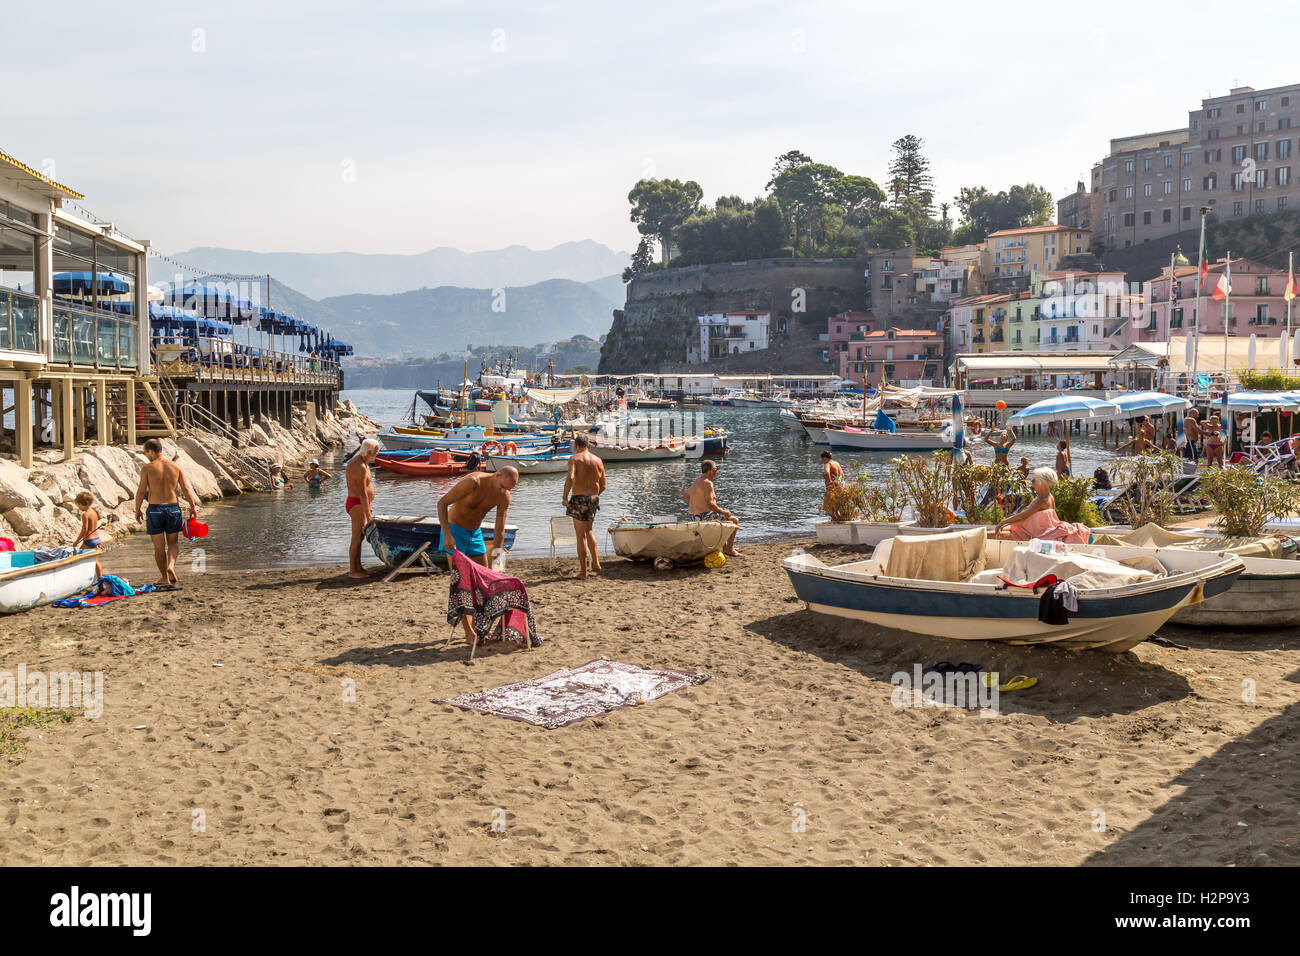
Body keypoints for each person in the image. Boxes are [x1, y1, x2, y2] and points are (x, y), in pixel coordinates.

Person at [133, 438, 201, 588]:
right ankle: (171, 565)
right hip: (173, 508)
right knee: (173, 543)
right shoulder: (175, 467)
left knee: (158, 547)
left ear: (151, 451)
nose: (146, 456)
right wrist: (192, 506)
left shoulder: (148, 468)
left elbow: (141, 491)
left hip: (155, 510)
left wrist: (137, 509)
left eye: (146, 453)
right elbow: (186, 489)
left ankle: (164, 577)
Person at [437, 466, 519, 568]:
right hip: (454, 530)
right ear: (497, 475)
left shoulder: (504, 496)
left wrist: (497, 554)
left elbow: (500, 528)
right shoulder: (473, 482)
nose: (503, 491)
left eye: (507, 489)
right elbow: (442, 503)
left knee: (483, 575)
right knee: (459, 577)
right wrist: (447, 534)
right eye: (502, 486)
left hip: (475, 533)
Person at [994, 467, 1090, 544]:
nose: (1032, 481)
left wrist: (1003, 522)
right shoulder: (1049, 497)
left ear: (1042, 483)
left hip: (1038, 534)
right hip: (1041, 531)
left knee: (992, 534)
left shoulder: (1041, 500)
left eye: (1034, 479)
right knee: (1000, 531)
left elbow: (1023, 515)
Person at [562, 435, 605, 579]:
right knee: (589, 530)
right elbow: (603, 485)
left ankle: (583, 571)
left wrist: (565, 497)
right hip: (593, 498)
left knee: (580, 536)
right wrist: (593, 496)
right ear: (589, 446)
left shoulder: (574, 459)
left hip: (579, 498)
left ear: (576, 446)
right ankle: (596, 563)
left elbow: (571, 477)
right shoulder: (598, 460)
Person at [683, 460, 741, 556]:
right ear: (712, 470)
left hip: (694, 516)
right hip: (703, 516)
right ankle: (729, 549)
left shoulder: (697, 480)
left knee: (719, 518)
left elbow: (686, 496)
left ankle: (725, 546)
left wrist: (699, 503)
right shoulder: (708, 483)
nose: (717, 472)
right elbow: (710, 504)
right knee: (734, 520)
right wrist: (723, 512)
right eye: (716, 469)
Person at [345, 438, 379, 579]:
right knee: (356, 538)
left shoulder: (363, 462)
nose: (377, 454)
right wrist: (368, 514)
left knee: (360, 536)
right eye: (375, 452)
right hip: (357, 504)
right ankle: (353, 570)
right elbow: (362, 493)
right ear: (368, 451)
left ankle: (358, 567)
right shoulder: (359, 466)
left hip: (361, 504)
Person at [72, 491, 104, 577]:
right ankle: (100, 579)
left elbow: (84, 530)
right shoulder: (94, 513)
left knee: (77, 558)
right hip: (96, 539)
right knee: (95, 561)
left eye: (78, 505)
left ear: (81, 503)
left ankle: (79, 577)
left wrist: (77, 541)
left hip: (89, 540)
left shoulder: (85, 514)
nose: (78, 507)